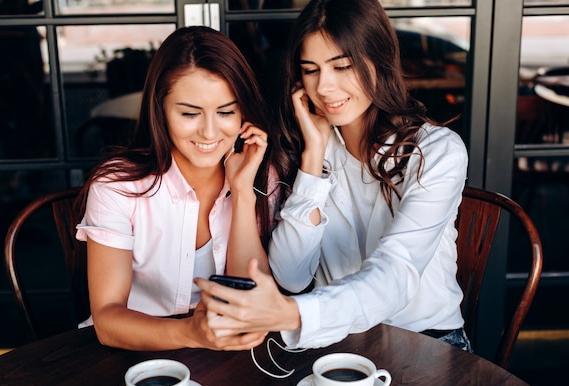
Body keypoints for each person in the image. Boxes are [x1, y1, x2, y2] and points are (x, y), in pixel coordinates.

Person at [196, 0, 472, 352]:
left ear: (380, 62)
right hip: (341, 343)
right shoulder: (318, 148)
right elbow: (291, 276)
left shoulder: (437, 151)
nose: (324, 87)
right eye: (311, 70)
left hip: (428, 343)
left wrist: (294, 315)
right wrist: (313, 156)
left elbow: (397, 272)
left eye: (342, 66)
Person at [75, 26, 289, 351]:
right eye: (189, 113)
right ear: (160, 110)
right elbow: (106, 320)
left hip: (227, 354)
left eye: (226, 112)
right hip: (131, 355)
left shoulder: (260, 175)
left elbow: (250, 299)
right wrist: (192, 334)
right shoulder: (116, 187)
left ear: (244, 112)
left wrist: (243, 193)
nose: (208, 131)